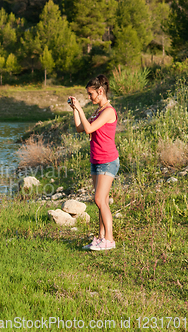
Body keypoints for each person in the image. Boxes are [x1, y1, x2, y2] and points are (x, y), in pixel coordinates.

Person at [68, 74, 119, 251]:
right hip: (96, 160)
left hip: (108, 161)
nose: (89, 97)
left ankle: (109, 240)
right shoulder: (98, 111)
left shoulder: (108, 111)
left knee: (99, 199)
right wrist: (75, 109)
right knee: (101, 201)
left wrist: (81, 109)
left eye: (90, 94)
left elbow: (89, 128)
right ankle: (100, 238)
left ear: (100, 91)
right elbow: (80, 128)